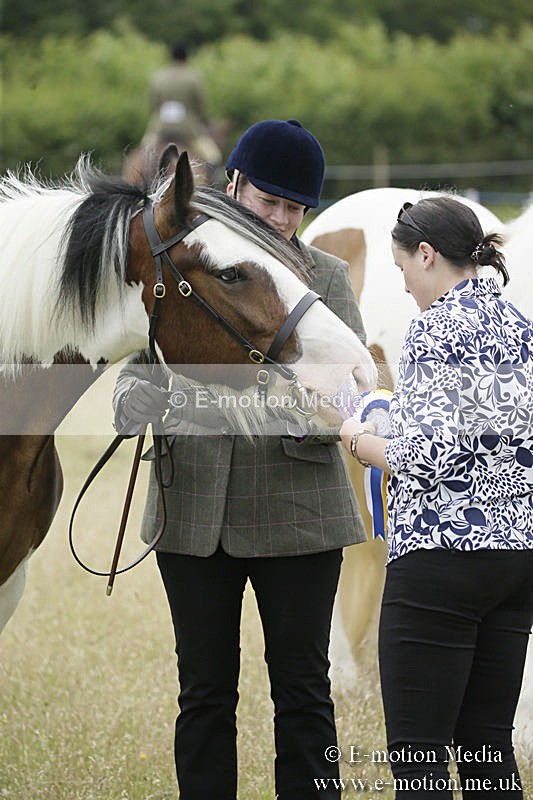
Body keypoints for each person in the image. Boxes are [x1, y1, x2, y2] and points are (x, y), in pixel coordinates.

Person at [113, 119, 369, 799]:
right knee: (202, 692)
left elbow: (342, 403)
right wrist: (135, 401)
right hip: (193, 514)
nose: (280, 219)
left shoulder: (328, 282)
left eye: (293, 208)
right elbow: (142, 368)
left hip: (298, 517)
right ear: (232, 186)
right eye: (267, 201)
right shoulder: (182, 260)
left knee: (303, 691)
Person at [339, 196, 533, 798]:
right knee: (487, 751)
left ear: (427, 255)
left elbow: (423, 458)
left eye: (402, 271)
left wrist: (355, 433)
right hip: (515, 557)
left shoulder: (432, 331)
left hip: (441, 560)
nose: (402, 287)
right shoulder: (520, 326)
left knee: (420, 763)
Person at [142, 42, 221, 169]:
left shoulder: (158, 78)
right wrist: (205, 120)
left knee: (142, 154)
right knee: (213, 156)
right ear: (186, 58)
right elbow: (201, 107)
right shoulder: (194, 78)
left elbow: (153, 105)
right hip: (188, 129)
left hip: (160, 128)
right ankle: (211, 186)